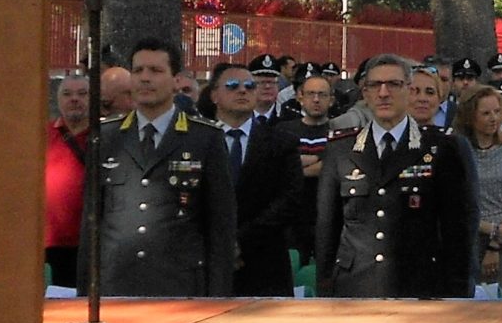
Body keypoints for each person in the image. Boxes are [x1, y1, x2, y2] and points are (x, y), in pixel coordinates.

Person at [314, 53, 476, 298]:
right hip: (355, 287)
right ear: (365, 94)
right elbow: (327, 228)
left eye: (393, 84)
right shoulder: (341, 149)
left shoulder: (442, 148)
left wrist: (457, 295)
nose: (383, 93)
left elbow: (458, 231)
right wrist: (325, 290)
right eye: (374, 86)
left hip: (419, 286)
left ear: (409, 90)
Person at [93, 38, 237, 296]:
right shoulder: (107, 136)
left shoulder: (204, 138)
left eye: (156, 71)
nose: (145, 79)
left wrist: (218, 296)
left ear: (176, 80)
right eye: (138, 71)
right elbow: (92, 223)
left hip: (179, 284)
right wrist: (87, 291)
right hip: (116, 283)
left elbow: (220, 226)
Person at [208, 62, 305, 297]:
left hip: (266, 263)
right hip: (211, 262)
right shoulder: (199, 140)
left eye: (249, 86)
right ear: (214, 95)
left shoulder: (281, 141)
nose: (243, 91)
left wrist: (241, 241)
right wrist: (221, 244)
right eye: (232, 85)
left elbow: (290, 199)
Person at [456, 85, 502, 298]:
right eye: (486, 113)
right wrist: (490, 230)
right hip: (472, 233)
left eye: (497, 112)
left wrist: (497, 242)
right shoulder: (459, 149)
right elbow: (457, 203)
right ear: (471, 116)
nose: (493, 118)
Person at [276, 73, 340, 276]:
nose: (316, 99)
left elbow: (334, 166)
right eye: (311, 93)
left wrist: (297, 165)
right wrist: (318, 162)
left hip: (329, 216)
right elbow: (277, 170)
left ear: (331, 99)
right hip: (291, 219)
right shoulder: (282, 131)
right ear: (299, 97)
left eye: (322, 94)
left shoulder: (342, 132)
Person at [45, 72, 94, 287]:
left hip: (88, 245)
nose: (74, 99)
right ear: (58, 100)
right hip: (48, 243)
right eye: (67, 94)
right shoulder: (42, 135)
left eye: (82, 94)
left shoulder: (104, 136)